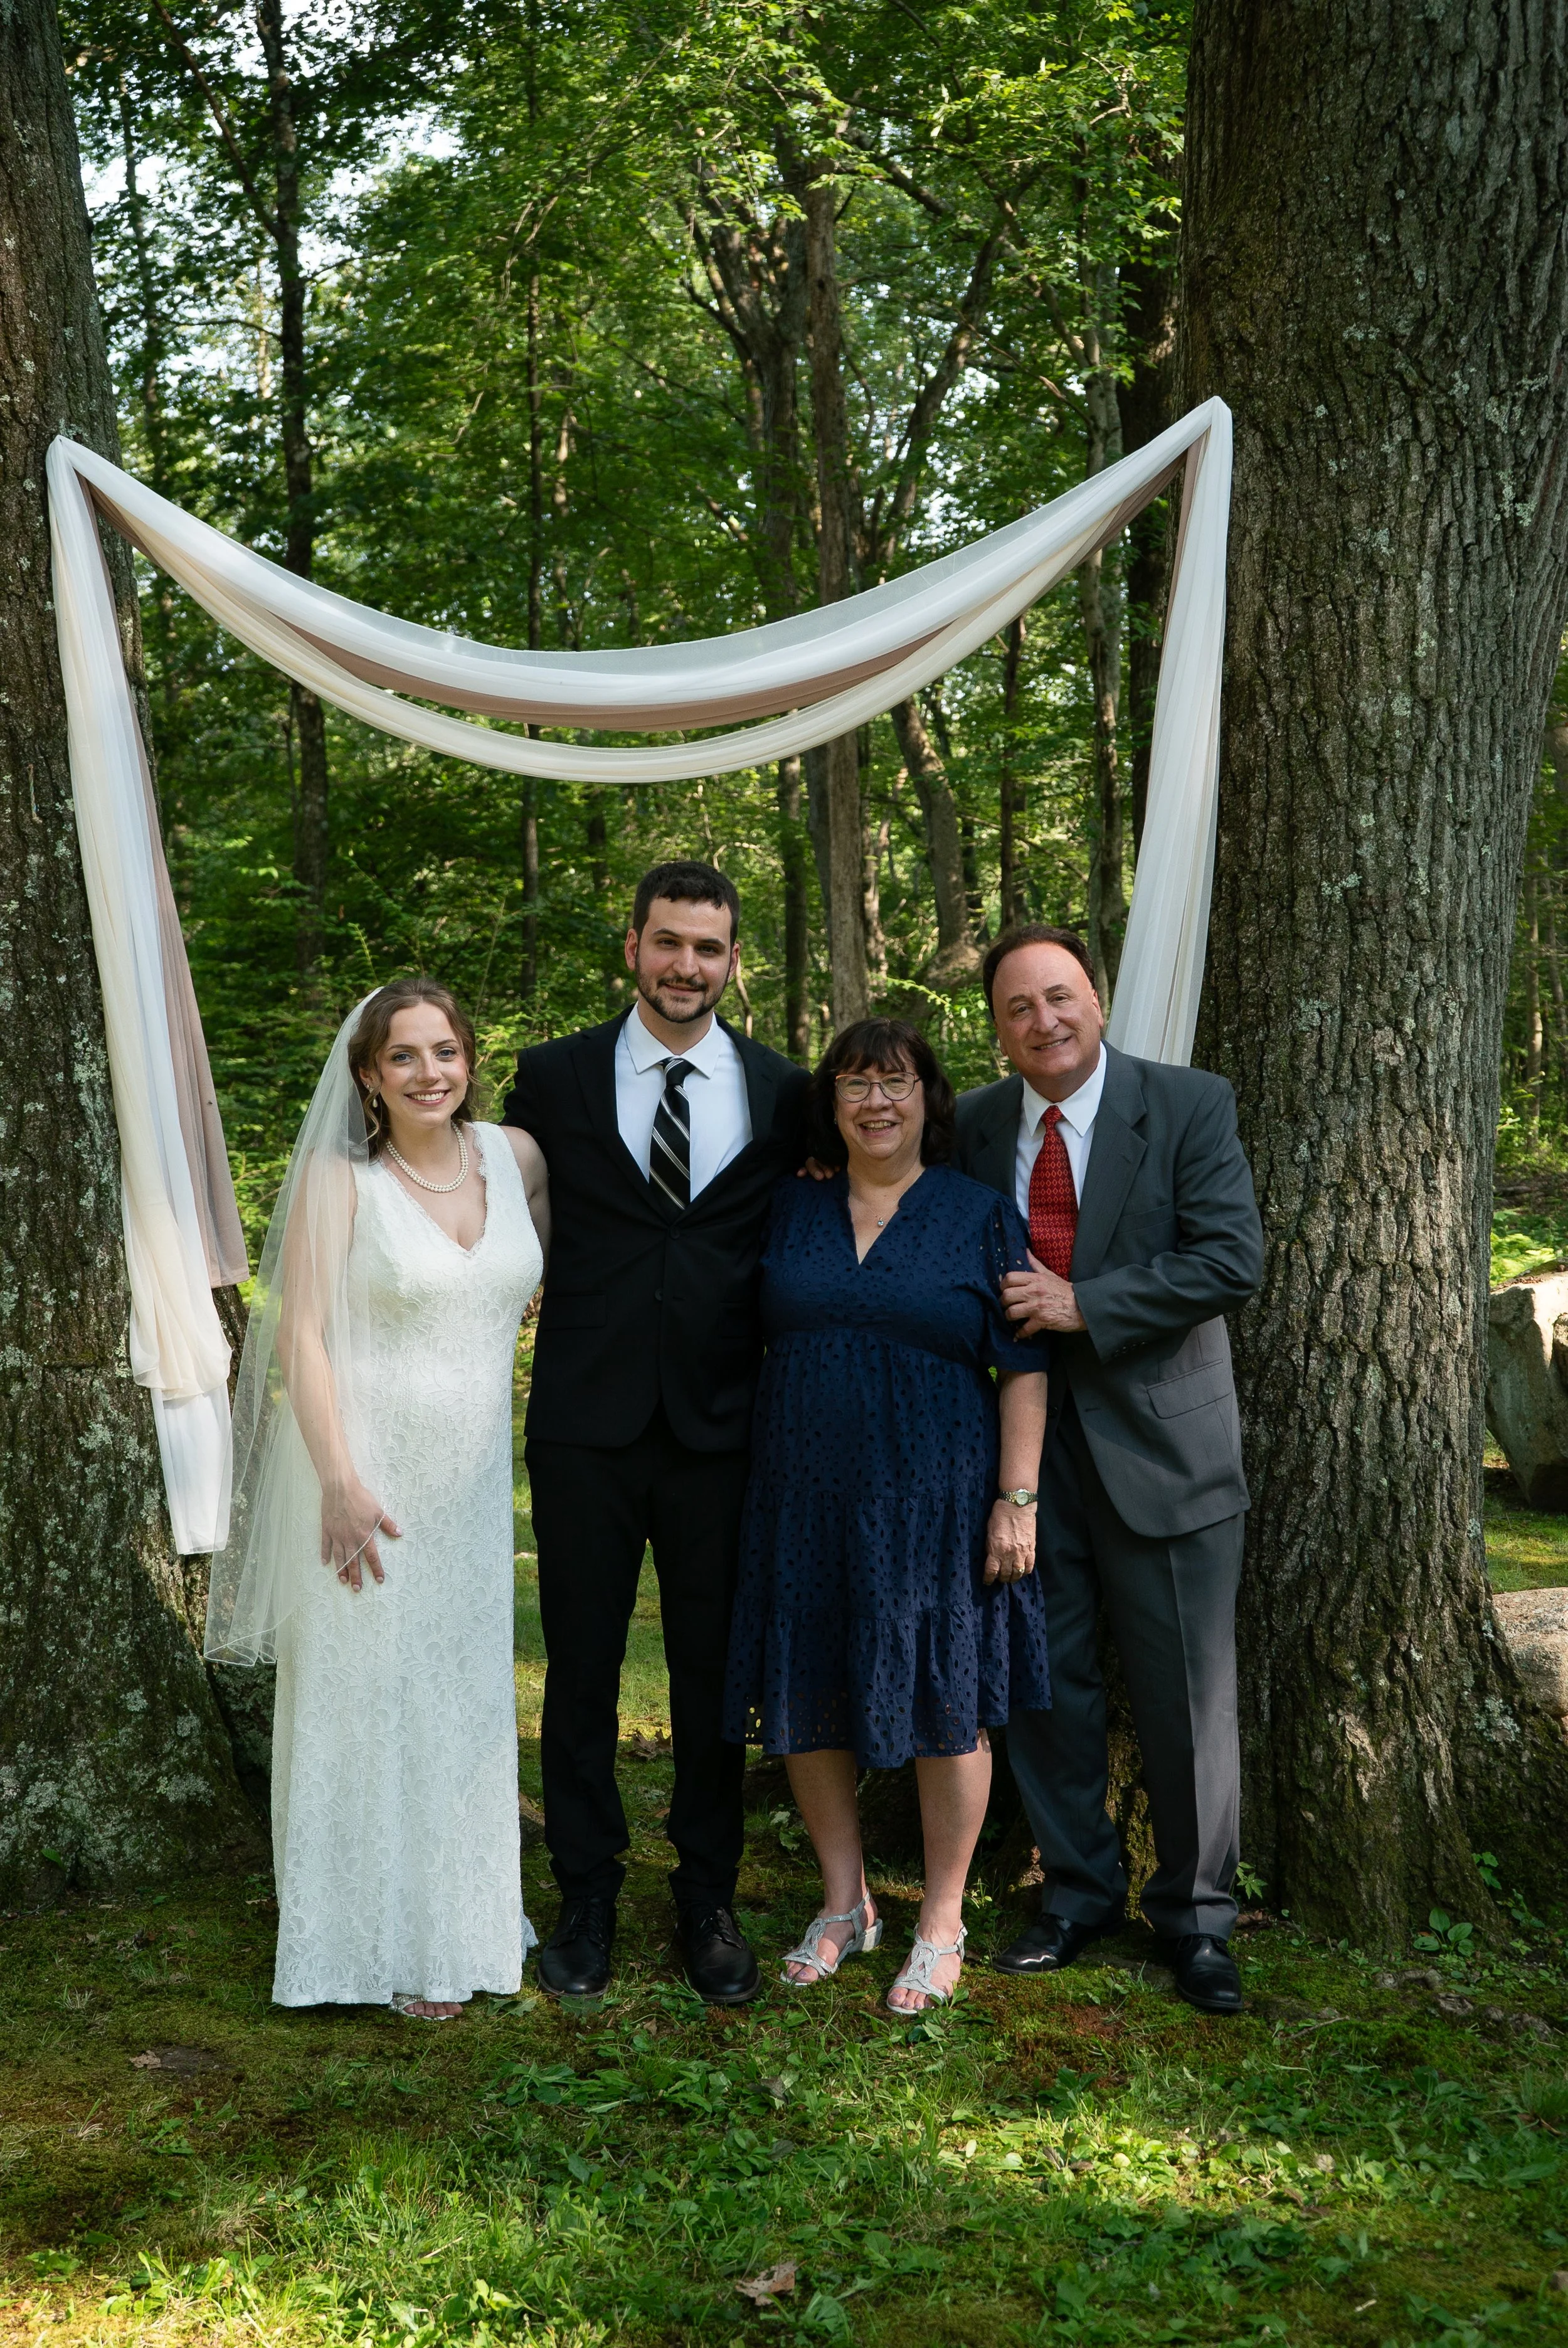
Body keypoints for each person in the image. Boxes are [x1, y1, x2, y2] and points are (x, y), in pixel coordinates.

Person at [205, 977, 549, 2018]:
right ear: (367, 1075)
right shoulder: (337, 1180)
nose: (429, 1072)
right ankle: (369, 1937)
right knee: (367, 1698)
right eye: (403, 1056)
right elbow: (299, 1336)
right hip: (370, 1475)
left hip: (476, 1483)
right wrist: (342, 1481)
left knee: (462, 1698)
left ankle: (464, 1916)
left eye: (445, 1051)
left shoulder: (518, 1158)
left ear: (470, 1058)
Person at [501, 860, 810, 2004]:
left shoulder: (784, 1093)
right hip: (585, 1420)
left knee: (709, 1676)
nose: (689, 965)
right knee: (579, 1667)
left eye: (710, 948)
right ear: (631, 946)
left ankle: (706, 1895)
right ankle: (585, 1890)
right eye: (669, 942)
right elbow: (498, 1213)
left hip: (725, 1426)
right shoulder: (554, 1076)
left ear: (735, 961)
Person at [953, 924, 1264, 2016]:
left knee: (1188, 1695)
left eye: (1060, 996)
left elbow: (1232, 1257)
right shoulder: (976, 1125)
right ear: (998, 1028)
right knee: (1048, 1684)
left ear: (1096, 997)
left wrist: (1088, 1304)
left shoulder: (1187, 1103)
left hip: (1165, 1447)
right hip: (1026, 1458)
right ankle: (1077, 1892)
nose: (1044, 1021)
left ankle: (1197, 1921)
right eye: (1018, 1008)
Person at [724, 1017, 1051, 2012]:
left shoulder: (978, 1213)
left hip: (940, 1498)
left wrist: (1016, 1497)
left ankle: (941, 1917)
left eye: (896, 1083)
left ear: (929, 1099)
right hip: (804, 1493)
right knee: (808, 1681)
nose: (877, 1101)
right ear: (829, 1105)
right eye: (856, 1084)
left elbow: (1025, 1365)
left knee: (949, 1694)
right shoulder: (788, 1208)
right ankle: (843, 1902)